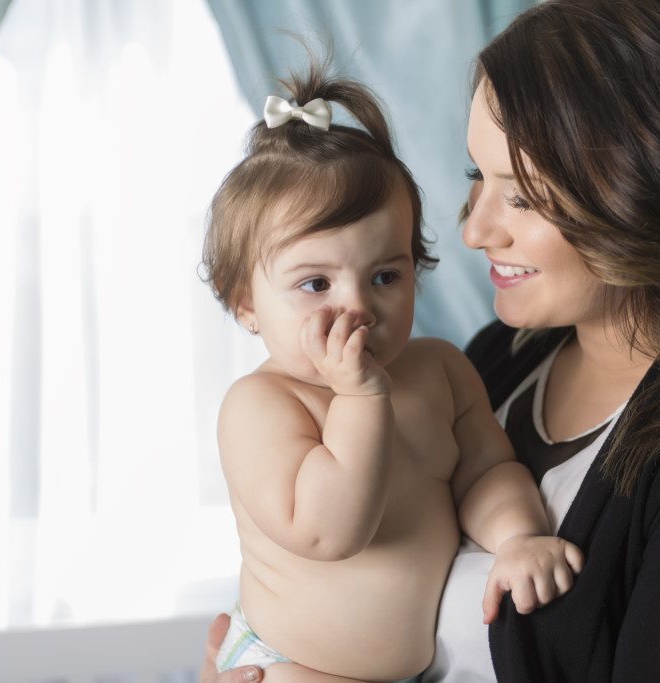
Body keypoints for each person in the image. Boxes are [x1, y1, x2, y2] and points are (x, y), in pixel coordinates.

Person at [205, 1, 660, 681]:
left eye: (522, 196)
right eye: (476, 177)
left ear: (643, 193)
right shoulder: (504, 354)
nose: (474, 231)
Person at [200, 59, 585, 683]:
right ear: (245, 302)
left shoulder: (441, 371)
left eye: (385, 275)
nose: (357, 306)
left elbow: (486, 473)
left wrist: (517, 537)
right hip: (289, 664)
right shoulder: (261, 406)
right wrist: (359, 399)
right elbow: (331, 532)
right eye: (316, 283)